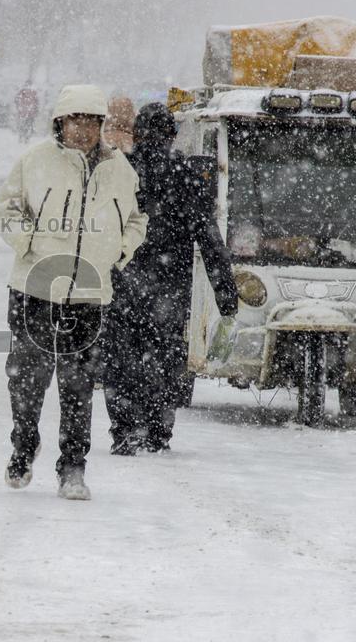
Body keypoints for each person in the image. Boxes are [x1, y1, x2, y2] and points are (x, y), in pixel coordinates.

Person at [0, 84, 148, 500]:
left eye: (92, 121)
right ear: (60, 122)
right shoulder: (35, 161)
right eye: (75, 120)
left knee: (78, 387)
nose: (83, 129)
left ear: (102, 125)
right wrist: (26, 241)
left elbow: (136, 219)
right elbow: (4, 209)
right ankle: (24, 447)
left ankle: (73, 468)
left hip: (89, 296)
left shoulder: (119, 169)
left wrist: (120, 250)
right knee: (27, 381)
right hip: (34, 290)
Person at [99, 102, 238, 455]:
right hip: (170, 288)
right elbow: (210, 240)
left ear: (136, 134)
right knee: (164, 358)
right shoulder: (187, 176)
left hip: (122, 283)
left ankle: (125, 429)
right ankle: (158, 430)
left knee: (120, 358)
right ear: (172, 135)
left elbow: (99, 229)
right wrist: (226, 296)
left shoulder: (119, 172)